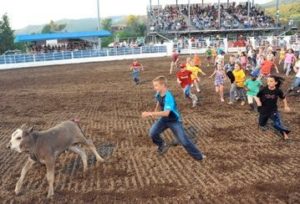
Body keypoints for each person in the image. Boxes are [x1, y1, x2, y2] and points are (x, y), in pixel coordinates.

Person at [141, 76, 205, 160]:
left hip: (174, 121)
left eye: (156, 85)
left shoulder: (169, 96)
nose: (154, 88)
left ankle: (200, 156)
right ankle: (162, 145)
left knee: (184, 141)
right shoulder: (158, 93)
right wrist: (155, 110)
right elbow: (158, 100)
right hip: (164, 120)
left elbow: (166, 113)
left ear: (163, 85)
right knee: (153, 133)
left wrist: (150, 113)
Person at [256, 75, 291, 140]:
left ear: (276, 82)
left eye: (271, 81)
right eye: (268, 81)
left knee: (278, 122)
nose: (269, 83)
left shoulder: (278, 91)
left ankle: (284, 133)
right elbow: (257, 96)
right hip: (263, 110)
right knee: (261, 124)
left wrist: (286, 106)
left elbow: (283, 98)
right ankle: (264, 121)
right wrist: (258, 102)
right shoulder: (263, 89)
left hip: (273, 110)